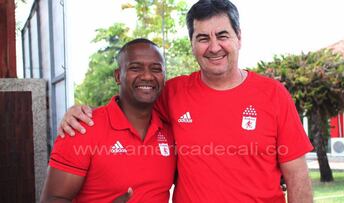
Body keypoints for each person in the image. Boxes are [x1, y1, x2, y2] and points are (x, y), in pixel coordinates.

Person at [58, 0, 314, 202]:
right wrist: (79, 112)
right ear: (192, 44)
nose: (214, 47)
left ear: (239, 37)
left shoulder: (273, 95)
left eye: (222, 35)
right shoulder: (172, 92)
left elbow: (297, 177)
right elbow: (129, 105)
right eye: (203, 38)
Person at [41, 38, 176, 202]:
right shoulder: (81, 128)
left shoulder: (171, 131)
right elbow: (53, 199)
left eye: (156, 69)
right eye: (135, 68)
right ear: (118, 76)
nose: (147, 76)